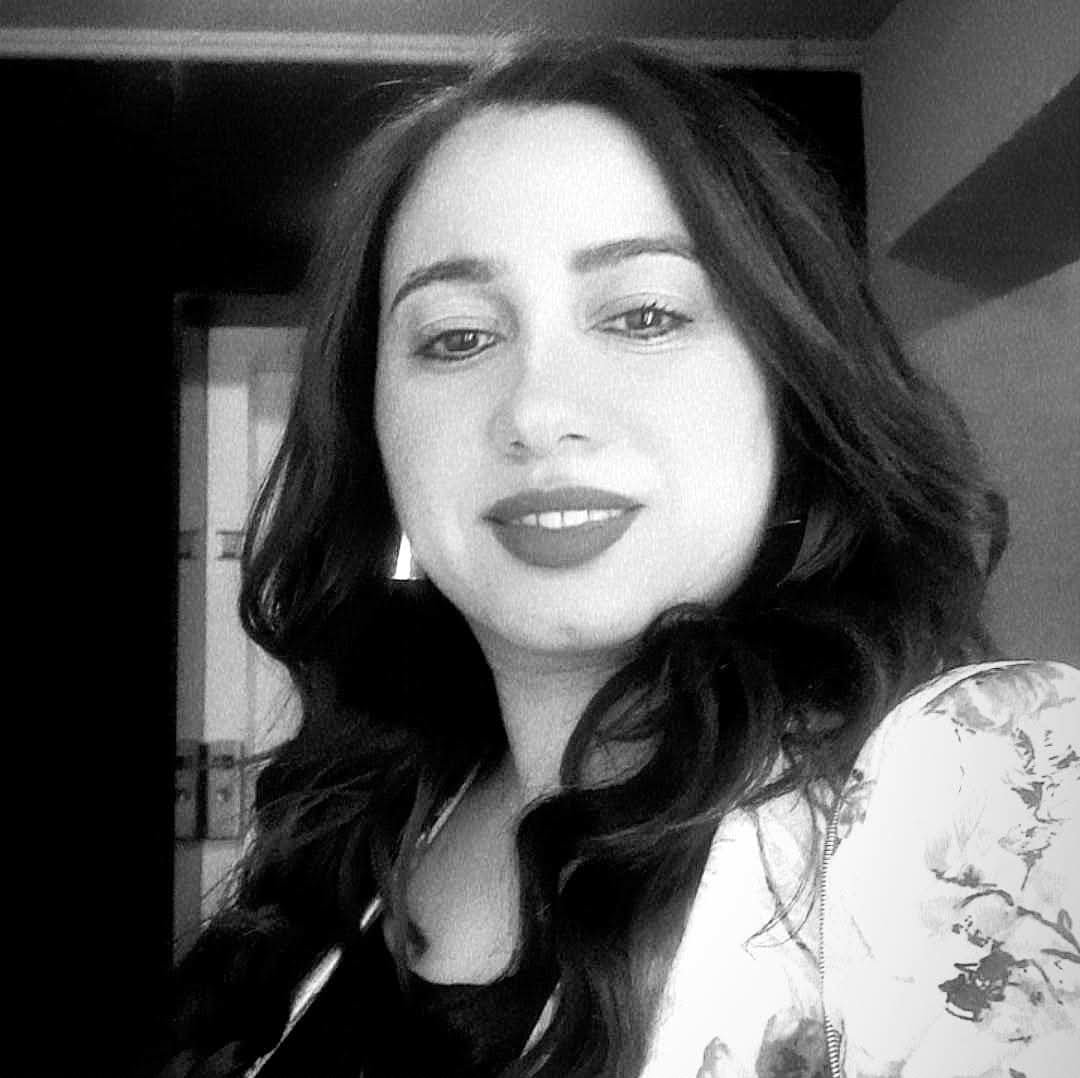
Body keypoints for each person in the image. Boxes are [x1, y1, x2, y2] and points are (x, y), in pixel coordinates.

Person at [162, 39, 1079, 1078]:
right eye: (457, 337)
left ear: (792, 389)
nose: (537, 410)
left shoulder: (975, 801)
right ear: (372, 426)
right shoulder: (377, 811)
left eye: (645, 316)